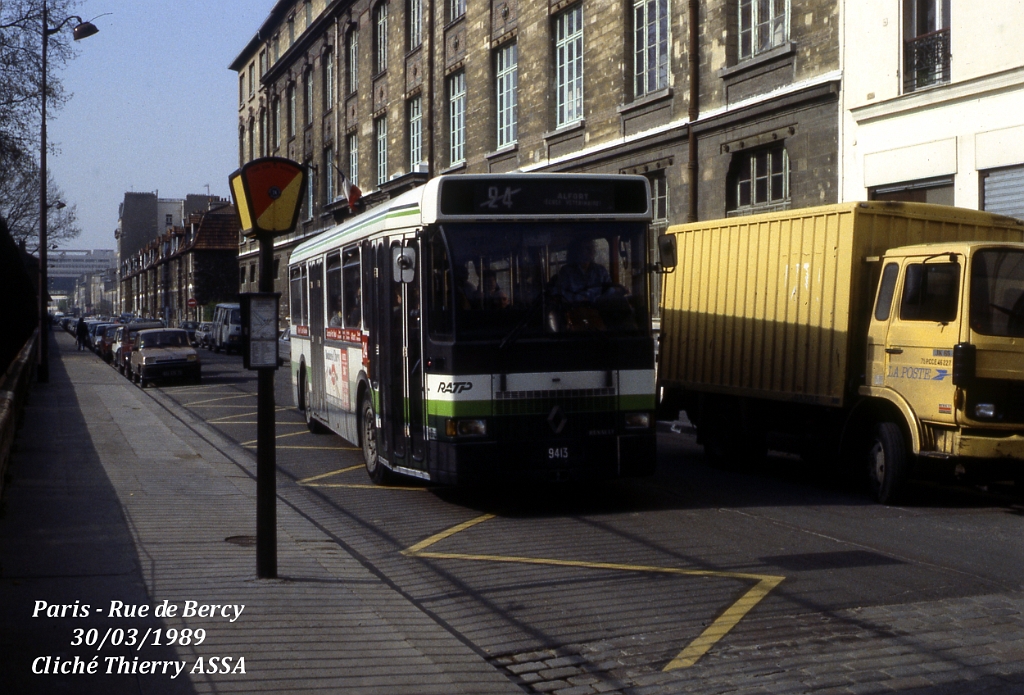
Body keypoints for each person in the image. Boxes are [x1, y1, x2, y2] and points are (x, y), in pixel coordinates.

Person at [554, 239, 611, 304]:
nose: (590, 251)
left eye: (592, 248)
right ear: (577, 251)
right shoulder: (566, 272)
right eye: (586, 248)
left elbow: (609, 291)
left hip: (598, 310)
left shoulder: (601, 271)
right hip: (574, 311)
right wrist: (579, 299)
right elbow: (559, 294)